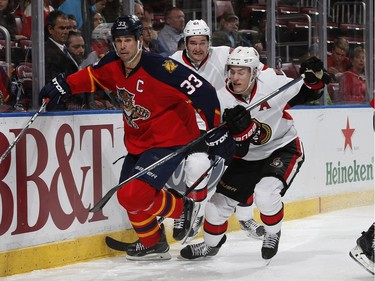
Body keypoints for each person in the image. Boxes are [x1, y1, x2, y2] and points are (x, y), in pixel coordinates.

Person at [39, 15, 224, 261]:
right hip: (139, 140)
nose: (123, 46)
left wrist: (214, 130)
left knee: (134, 194)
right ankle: (153, 244)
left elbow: (205, 92)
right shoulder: (112, 63)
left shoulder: (161, 67)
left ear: (139, 41)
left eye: (128, 40)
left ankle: (183, 207)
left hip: (170, 139)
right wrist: (65, 85)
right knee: (129, 198)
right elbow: (93, 77)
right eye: (118, 40)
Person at [179, 47, 329, 262]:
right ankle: (211, 245)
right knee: (215, 207)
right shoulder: (221, 100)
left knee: (265, 195)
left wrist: (316, 79)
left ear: (254, 72)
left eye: (241, 72)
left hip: (282, 147)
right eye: (232, 71)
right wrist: (239, 134)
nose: (235, 77)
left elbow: (307, 93)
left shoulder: (272, 80)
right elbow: (233, 150)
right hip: (247, 158)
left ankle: (272, 232)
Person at [170, 19, 266, 242]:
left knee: (245, 163)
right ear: (185, 43)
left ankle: (244, 217)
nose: (198, 48)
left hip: (221, 125)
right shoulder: (172, 62)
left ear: (209, 42)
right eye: (193, 43)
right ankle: (189, 215)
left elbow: (253, 64)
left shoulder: (223, 54)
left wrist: (269, 77)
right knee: (188, 170)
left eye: (202, 42)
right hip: (186, 127)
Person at [44, 11, 78, 110]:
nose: (66, 31)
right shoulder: (47, 52)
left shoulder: (67, 50)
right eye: (62, 28)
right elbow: (55, 83)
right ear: (50, 29)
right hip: (62, 106)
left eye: (67, 28)